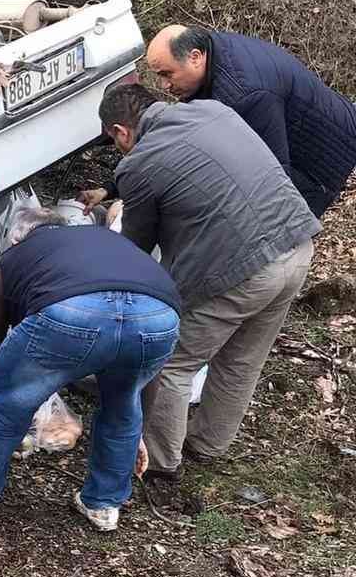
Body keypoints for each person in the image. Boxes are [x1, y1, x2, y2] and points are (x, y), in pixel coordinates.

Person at [98, 82, 320, 479]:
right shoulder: (214, 111)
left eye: (114, 142)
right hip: (298, 245)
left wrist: (116, 218)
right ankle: (209, 443)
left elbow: (136, 249)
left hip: (244, 271)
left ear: (120, 131)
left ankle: (162, 463)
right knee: (242, 359)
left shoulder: (138, 164)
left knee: (173, 365)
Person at [0, 210, 181, 533]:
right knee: (123, 404)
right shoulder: (105, 240)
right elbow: (144, 375)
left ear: (17, 239)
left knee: (6, 398)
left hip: (73, 314)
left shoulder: (16, 257)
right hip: (160, 316)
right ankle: (103, 504)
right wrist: (140, 427)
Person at [143, 24, 356, 219]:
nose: (164, 86)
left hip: (325, 156)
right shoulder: (213, 48)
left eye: (167, 74)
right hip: (314, 124)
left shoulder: (245, 94)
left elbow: (272, 175)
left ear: (195, 57)